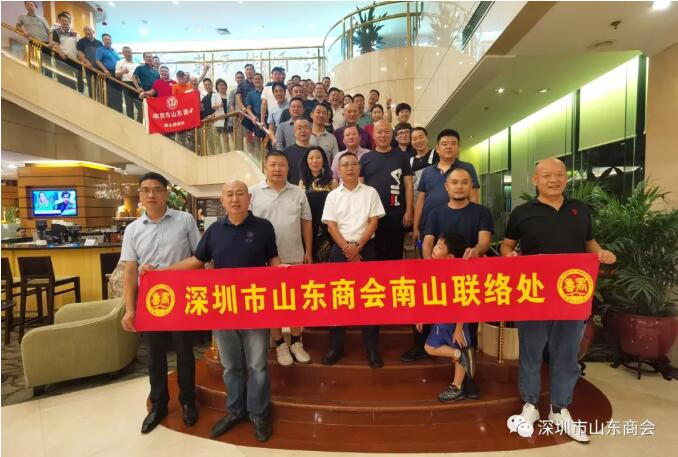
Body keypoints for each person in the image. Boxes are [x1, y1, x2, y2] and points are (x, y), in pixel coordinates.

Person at [500, 157, 616, 443]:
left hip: (571, 294)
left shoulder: (580, 209)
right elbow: (507, 245)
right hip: (534, 294)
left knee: (566, 353)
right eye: (547, 176)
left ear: (566, 177)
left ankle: (560, 408)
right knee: (531, 351)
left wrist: (601, 253)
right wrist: (508, 256)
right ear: (535, 180)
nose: (554, 180)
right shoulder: (522, 212)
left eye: (559, 174)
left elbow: (589, 243)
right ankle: (530, 404)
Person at [162, 180, 278, 442]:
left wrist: (283, 277)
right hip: (223, 309)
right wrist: (161, 273)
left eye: (240, 194)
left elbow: (273, 259)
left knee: (258, 366)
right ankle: (236, 410)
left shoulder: (264, 227)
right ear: (222, 200)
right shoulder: (214, 230)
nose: (235, 199)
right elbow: (197, 260)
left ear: (249, 198)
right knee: (231, 366)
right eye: (230, 195)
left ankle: (259, 412)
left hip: (255, 308)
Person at [120, 172, 201, 435]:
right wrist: (130, 309)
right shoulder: (133, 229)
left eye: (156, 189)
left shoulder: (185, 220)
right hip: (150, 301)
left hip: (181, 297)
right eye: (145, 190)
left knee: (184, 353)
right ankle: (159, 405)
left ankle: (188, 401)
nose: (151, 195)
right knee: (154, 355)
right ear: (140, 195)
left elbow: (199, 259)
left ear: (166, 193)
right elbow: (130, 272)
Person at [320, 152, 385, 367]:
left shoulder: (370, 192)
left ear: (359, 168)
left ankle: (371, 348)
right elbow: (331, 225)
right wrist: (347, 248)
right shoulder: (333, 196)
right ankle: (336, 347)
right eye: (345, 165)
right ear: (338, 170)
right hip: (340, 249)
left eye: (353, 164)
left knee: (370, 298)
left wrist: (358, 247)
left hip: (366, 248)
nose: (349, 168)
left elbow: (374, 222)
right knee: (339, 299)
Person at [250, 152, 313, 367]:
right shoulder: (253, 193)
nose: (277, 169)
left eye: (282, 165)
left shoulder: (298, 193)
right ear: (265, 167)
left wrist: (308, 251)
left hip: (294, 254)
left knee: (296, 303)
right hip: (264, 260)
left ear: (288, 168)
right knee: (271, 304)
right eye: (273, 164)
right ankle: (279, 345)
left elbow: (306, 222)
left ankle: (296, 342)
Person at [417, 232, 477, 403]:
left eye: (439, 247)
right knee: (430, 347)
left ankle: (457, 387)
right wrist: (421, 316)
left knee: (459, 347)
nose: (434, 248)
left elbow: (464, 303)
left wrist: (459, 328)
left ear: (450, 256)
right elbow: (429, 297)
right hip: (440, 321)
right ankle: (460, 354)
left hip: (456, 323)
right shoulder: (433, 271)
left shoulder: (458, 275)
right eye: (436, 244)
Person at [412, 129, 479, 244]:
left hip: (460, 225)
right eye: (444, 144)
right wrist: (415, 227)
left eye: (453, 143)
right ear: (437, 149)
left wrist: (474, 223)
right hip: (429, 226)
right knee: (428, 253)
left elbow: (474, 198)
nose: (448, 147)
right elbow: (420, 201)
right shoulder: (427, 171)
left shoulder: (467, 168)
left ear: (458, 147)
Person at [360, 120, 414, 261]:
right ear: (373, 135)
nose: (383, 135)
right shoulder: (365, 158)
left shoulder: (402, 157)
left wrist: (409, 211)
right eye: (379, 132)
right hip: (372, 215)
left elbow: (408, 185)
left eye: (387, 132)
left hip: (396, 213)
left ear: (392, 134)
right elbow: (360, 188)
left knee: (395, 254)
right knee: (374, 255)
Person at [299, 146, 335, 263]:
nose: (314, 161)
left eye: (318, 157)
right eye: (311, 158)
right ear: (306, 161)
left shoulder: (332, 181)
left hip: (328, 226)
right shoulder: (302, 182)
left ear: (323, 160)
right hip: (308, 226)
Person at [16, 1, 53, 78]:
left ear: (35, 6)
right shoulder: (23, 17)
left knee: (47, 65)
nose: (29, 6)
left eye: (31, 5)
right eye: (27, 5)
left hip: (45, 44)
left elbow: (49, 32)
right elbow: (17, 26)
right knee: (33, 63)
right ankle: (33, 79)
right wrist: (24, 31)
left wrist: (50, 42)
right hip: (33, 42)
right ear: (25, 7)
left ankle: (47, 80)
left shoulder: (42, 19)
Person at [51, 12, 82, 92]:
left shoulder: (75, 33)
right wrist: (61, 54)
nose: (64, 22)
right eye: (62, 20)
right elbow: (56, 44)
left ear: (69, 22)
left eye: (66, 20)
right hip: (63, 58)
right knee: (63, 79)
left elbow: (79, 46)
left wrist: (80, 57)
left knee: (76, 80)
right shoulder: (56, 32)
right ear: (60, 21)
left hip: (74, 59)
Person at [95, 33, 122, 112]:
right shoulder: (100, 49)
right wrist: (105, 70)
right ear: (103, 41)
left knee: (119, 93)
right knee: (110, 93)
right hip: (109, 73)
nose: (108, 41)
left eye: (109, 39)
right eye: (106, 39)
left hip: (117, 74)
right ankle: (111, 111)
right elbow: (98, 60)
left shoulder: (114, 51)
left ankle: (119, 111)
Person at [115, 46, 141, 121]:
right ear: (123, 53)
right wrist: (123, 72)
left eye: (129, 52)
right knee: (129, 106)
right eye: (125, 52)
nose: (127, 53)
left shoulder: (137, 62)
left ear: (131, 53)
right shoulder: (119, 62)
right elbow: (116, 75)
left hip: (137, 85)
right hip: (126, 84)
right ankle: (131, 123)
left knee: (140, 106)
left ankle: (139, 123)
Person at [283, 118, 312, 184]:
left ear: (311, 131)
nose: (303, 131)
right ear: (295, 133)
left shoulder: (316, 151)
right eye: (299, 128)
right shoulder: (287, 152)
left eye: (305, 127)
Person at [76, 24, 103, 97]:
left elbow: (102, 55)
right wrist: (87, 62)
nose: (87, 32)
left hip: (100, 69)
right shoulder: (81, 41)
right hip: (89, 68)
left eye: (89, 30)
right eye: (85, 30)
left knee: (100, 88)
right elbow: (79, 54)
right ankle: (92, 101)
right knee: (91, 88)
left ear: (93, 31)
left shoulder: (99, 43)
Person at [211, 78, 233, 153]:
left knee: (227, 139)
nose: (221, 86)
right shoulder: (215, 95)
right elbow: (213, 106)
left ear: (225, 86)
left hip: (228, 119)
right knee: (219, 141)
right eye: (219, 85)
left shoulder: (229, 95)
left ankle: (229, 155)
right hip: (220, 119)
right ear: (217, 87)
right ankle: (221, 155)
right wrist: (219, 105)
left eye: (222, 85)